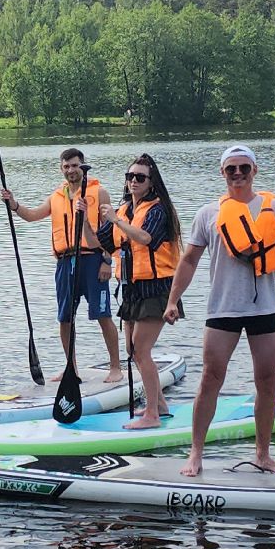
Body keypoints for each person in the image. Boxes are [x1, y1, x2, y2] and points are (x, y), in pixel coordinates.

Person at [163, 144, 275, 476]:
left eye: (244, 168)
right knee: (210, 378)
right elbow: (189, 260)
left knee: (267, 381)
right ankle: (195, 453)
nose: (238, 174)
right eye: (231, 169)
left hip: (264, 309)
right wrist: (173, 300)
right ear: (222, 173)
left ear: (254, 171)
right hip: (223, 309)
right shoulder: (208, 213)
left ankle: (263, 454)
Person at [0, 147, 123, 383]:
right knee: (65, 317)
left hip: (94, 259)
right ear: (61, 169)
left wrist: (108, 261)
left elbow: (112, 231)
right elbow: (33, 215)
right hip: (66, 262)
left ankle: (115, 367)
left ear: (83, 166)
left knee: (102, 314)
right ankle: (71, 368)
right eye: (66, 167)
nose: (71, 171)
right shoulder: (57, 195)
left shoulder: (100, 193)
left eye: (75, 166)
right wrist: (14, 204)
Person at [101, 153, 183, 429]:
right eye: (130, 176)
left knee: (141, 351)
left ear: (150, 182)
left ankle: (152, 416)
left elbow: (146, 238)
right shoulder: (124, 210)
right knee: (131, 348)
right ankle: (158, 403)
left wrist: (115, 220)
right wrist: (83, 219)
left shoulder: (158, 210)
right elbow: (100, 244)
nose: (133, 181)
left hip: (157, 289)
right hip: (131, 288)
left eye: (140, 177)